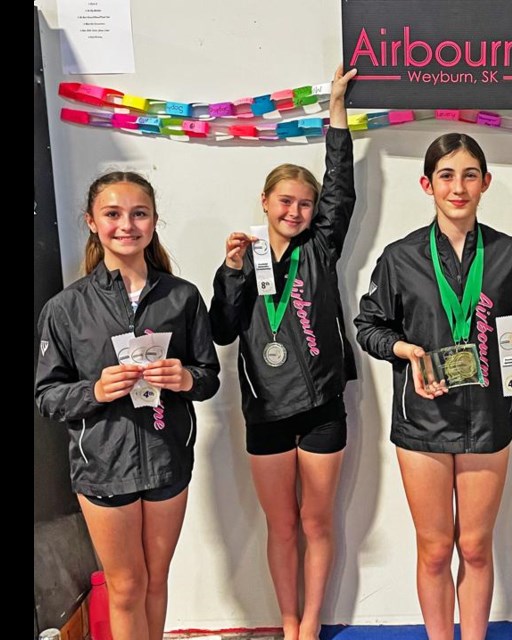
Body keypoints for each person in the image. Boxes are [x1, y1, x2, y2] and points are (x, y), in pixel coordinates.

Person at [354, 132, 512, 640]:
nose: (457, 187)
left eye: (468, 175)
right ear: (427, 184)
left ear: (486, 182)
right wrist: (405, 350)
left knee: (477, 547)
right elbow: (369, 326)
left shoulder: (511, 254)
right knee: (436, 548)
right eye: (446, 175)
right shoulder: (400, 258)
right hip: (422, 417)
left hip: (489, 416)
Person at [35, 172, 221, 640]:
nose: (127, 225)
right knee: (125, 586)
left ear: (154, 221)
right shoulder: (65, 308)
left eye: (139, 214)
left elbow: (208, 377)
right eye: (112, 214)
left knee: (155, 582)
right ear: (92, 223)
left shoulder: (182, 297)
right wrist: (93, 392)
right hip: (104, 468)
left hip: (166, 459)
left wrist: (185, 378)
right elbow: (47, 396)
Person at [208, 65, 358, 640]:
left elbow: (341, 185)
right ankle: (287, 619)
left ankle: (310, 625)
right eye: (285, 201)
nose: (294, 212)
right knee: (281, 526)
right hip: (265, 410)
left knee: (317, 521)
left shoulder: (321, 245)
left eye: (304, 204)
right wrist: (232, 272)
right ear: (265, 202)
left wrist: (337, 112)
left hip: (323, 404)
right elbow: (222, 331)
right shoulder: (243, 256)